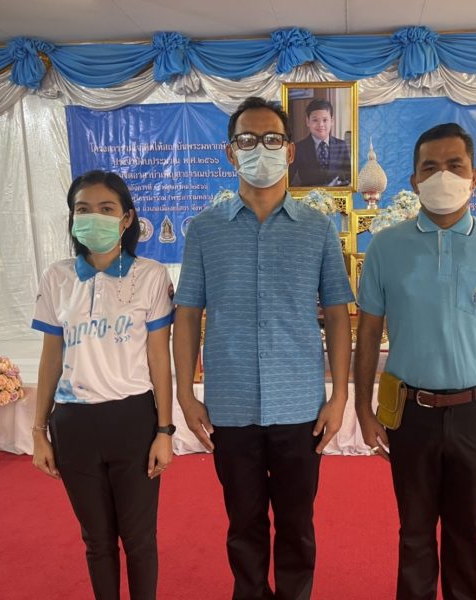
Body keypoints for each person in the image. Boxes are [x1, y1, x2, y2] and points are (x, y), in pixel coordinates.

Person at [173, 96, 354, 600]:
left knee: (297, 523)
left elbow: (338, 314)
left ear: (290, 151)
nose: (261, 149)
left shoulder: (317, 229)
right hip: (230, 407)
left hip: (299, 407)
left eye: (272, 139)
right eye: (247, 140)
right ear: (231, 152)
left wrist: (339, 395)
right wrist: (185, 394)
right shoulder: (204, 230)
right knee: (243, 522)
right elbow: (187, 315)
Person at [354, 122, 476, 600]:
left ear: (475, 177)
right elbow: (367, 331)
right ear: (414, 181)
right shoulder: (386, 245)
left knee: (465, 531)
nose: (443, 176)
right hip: (410, 412)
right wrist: (364, 409)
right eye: (430, 168)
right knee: (414, 531)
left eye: (455, 165)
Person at [31, 170, 175, 600]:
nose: (93, 217)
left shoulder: (150, 275)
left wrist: (164, 431)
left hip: (132, 420)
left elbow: (159, 358)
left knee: (139, 539)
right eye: (83, 209)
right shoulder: (57, 277)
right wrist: (38, 431)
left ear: (127, 218)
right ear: (72, 218)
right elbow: (51, 357)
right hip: (73, 424)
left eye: (106, 208)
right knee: (96, 540)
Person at [288, 98, 351, 187]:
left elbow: (350, 177)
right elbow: (287, 181)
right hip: (307, 195)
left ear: (332, 121)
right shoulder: (297, 148)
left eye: (325, 120)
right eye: (315, 120)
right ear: (307, 121)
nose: (321, 124)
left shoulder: (341, 145)